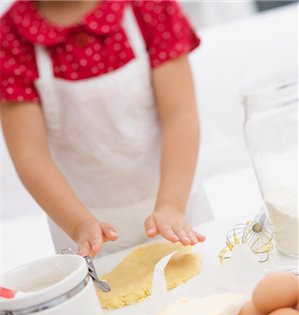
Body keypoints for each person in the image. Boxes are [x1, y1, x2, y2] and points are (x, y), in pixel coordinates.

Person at [0, 0, 212, 257]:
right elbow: (30, 156)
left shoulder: (150, 6)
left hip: (176, 208)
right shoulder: (9, 38)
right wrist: (79, 225)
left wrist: (171, 205)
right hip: (85, 233)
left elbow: (179, 116)